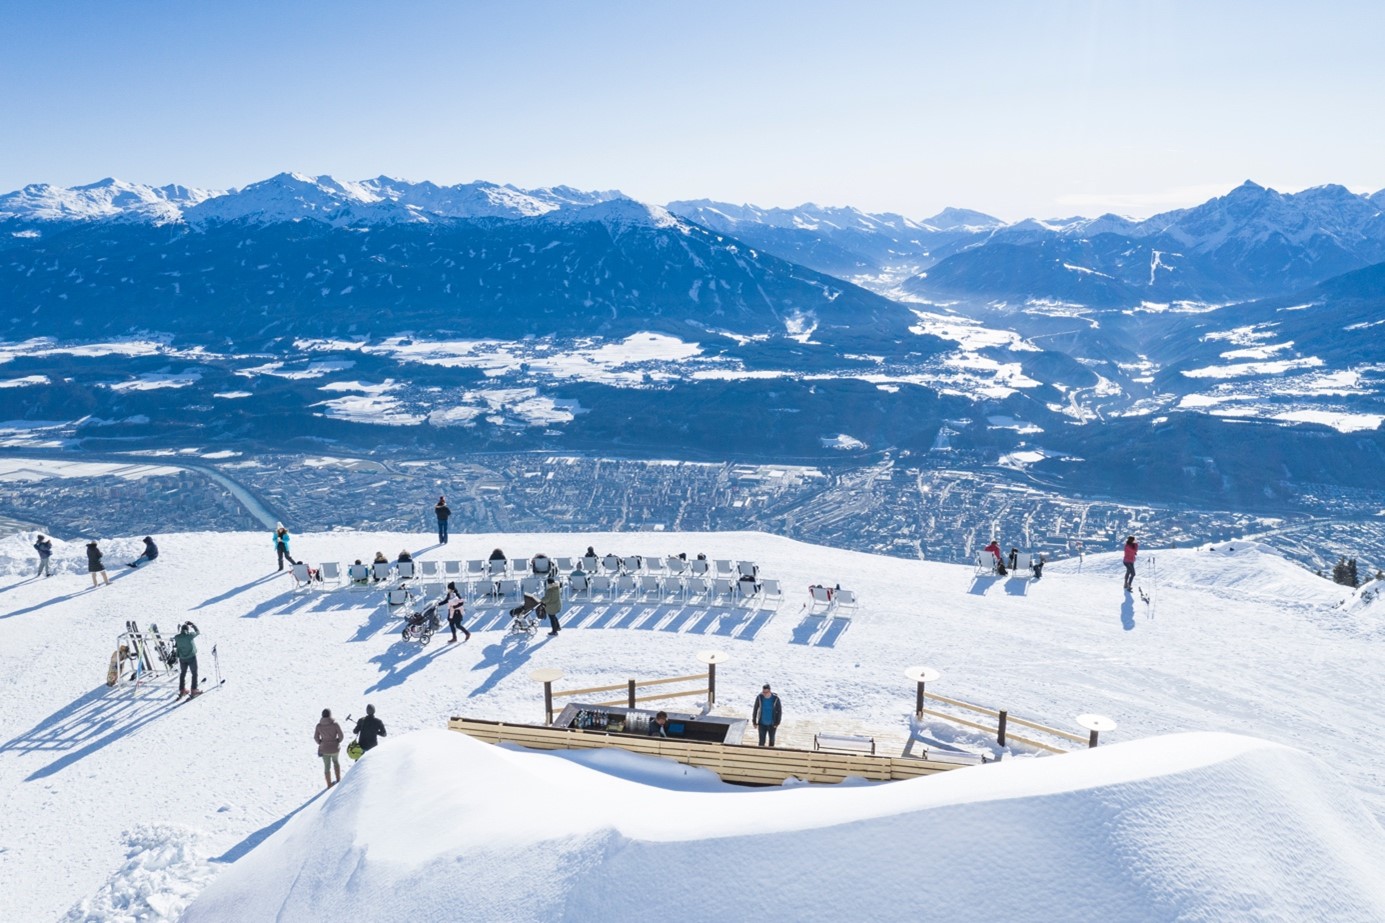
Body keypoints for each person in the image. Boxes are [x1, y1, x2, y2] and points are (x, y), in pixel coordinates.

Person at [316, 708, 344, 788]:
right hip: (335, 748)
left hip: (324, 749)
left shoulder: (319, 726)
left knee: (327, 766)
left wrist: (321, 743)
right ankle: (338, 779)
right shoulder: (335, 724)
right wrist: (337, 741)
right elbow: (341, 736)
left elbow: (316, 737)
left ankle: (329, 784)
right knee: (336, 762)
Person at [175, 621, 200, 698]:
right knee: (194, 673)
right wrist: (192, 625)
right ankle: (194, 690)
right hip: (191, 657)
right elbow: (198, 632)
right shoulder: (190, 635)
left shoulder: (177, 637)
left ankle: (182, 690)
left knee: (183, 673)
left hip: (182, 658)